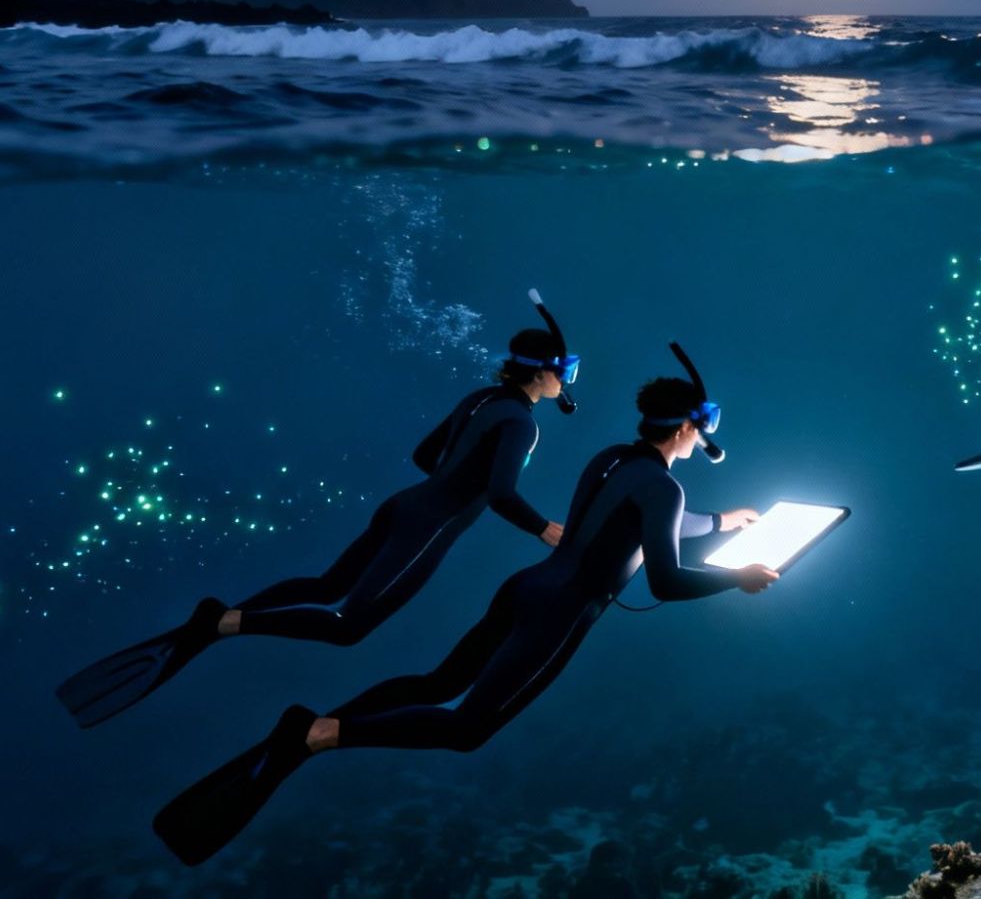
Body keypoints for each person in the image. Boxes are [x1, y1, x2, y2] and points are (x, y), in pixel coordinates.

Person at [151, 346, 776, 866]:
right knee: (467, 729)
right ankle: (318, 734)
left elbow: (649, 517)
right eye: (705, 425)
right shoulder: (665, 487)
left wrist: (723, 521)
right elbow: (664, 581)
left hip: (526, 588)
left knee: (438, 682)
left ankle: (319, 721)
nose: (705, 436)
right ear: (687, 427)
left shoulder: (612, 459)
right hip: (561, 615)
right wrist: (738, 578)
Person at [55, 292, 585, 729]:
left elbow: (425, 455)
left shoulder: (480, 398)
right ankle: (221, 622)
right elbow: (501, 493)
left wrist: (450, 484)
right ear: (541, 373)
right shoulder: (522, 423)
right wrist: (543, 529)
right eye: (564, 370)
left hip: (404, 507)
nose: (566, 380)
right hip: (428, 526)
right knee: (347, 626)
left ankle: (220, 618)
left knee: (326, 585)